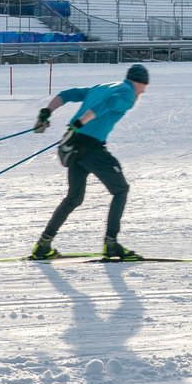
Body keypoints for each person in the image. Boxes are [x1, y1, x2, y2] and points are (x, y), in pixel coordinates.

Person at [27, 63, 151, 261]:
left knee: (74, 198)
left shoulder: (104, 86)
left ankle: (43, 245)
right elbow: (105, 106)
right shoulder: (128, 93)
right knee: (121, 190)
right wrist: (80, 122)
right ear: (140, 83)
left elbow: (68, 94)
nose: (143, 92)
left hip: (72, 144)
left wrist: (46, 112)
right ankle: (111, 244)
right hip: (90, 147)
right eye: (144, 87)